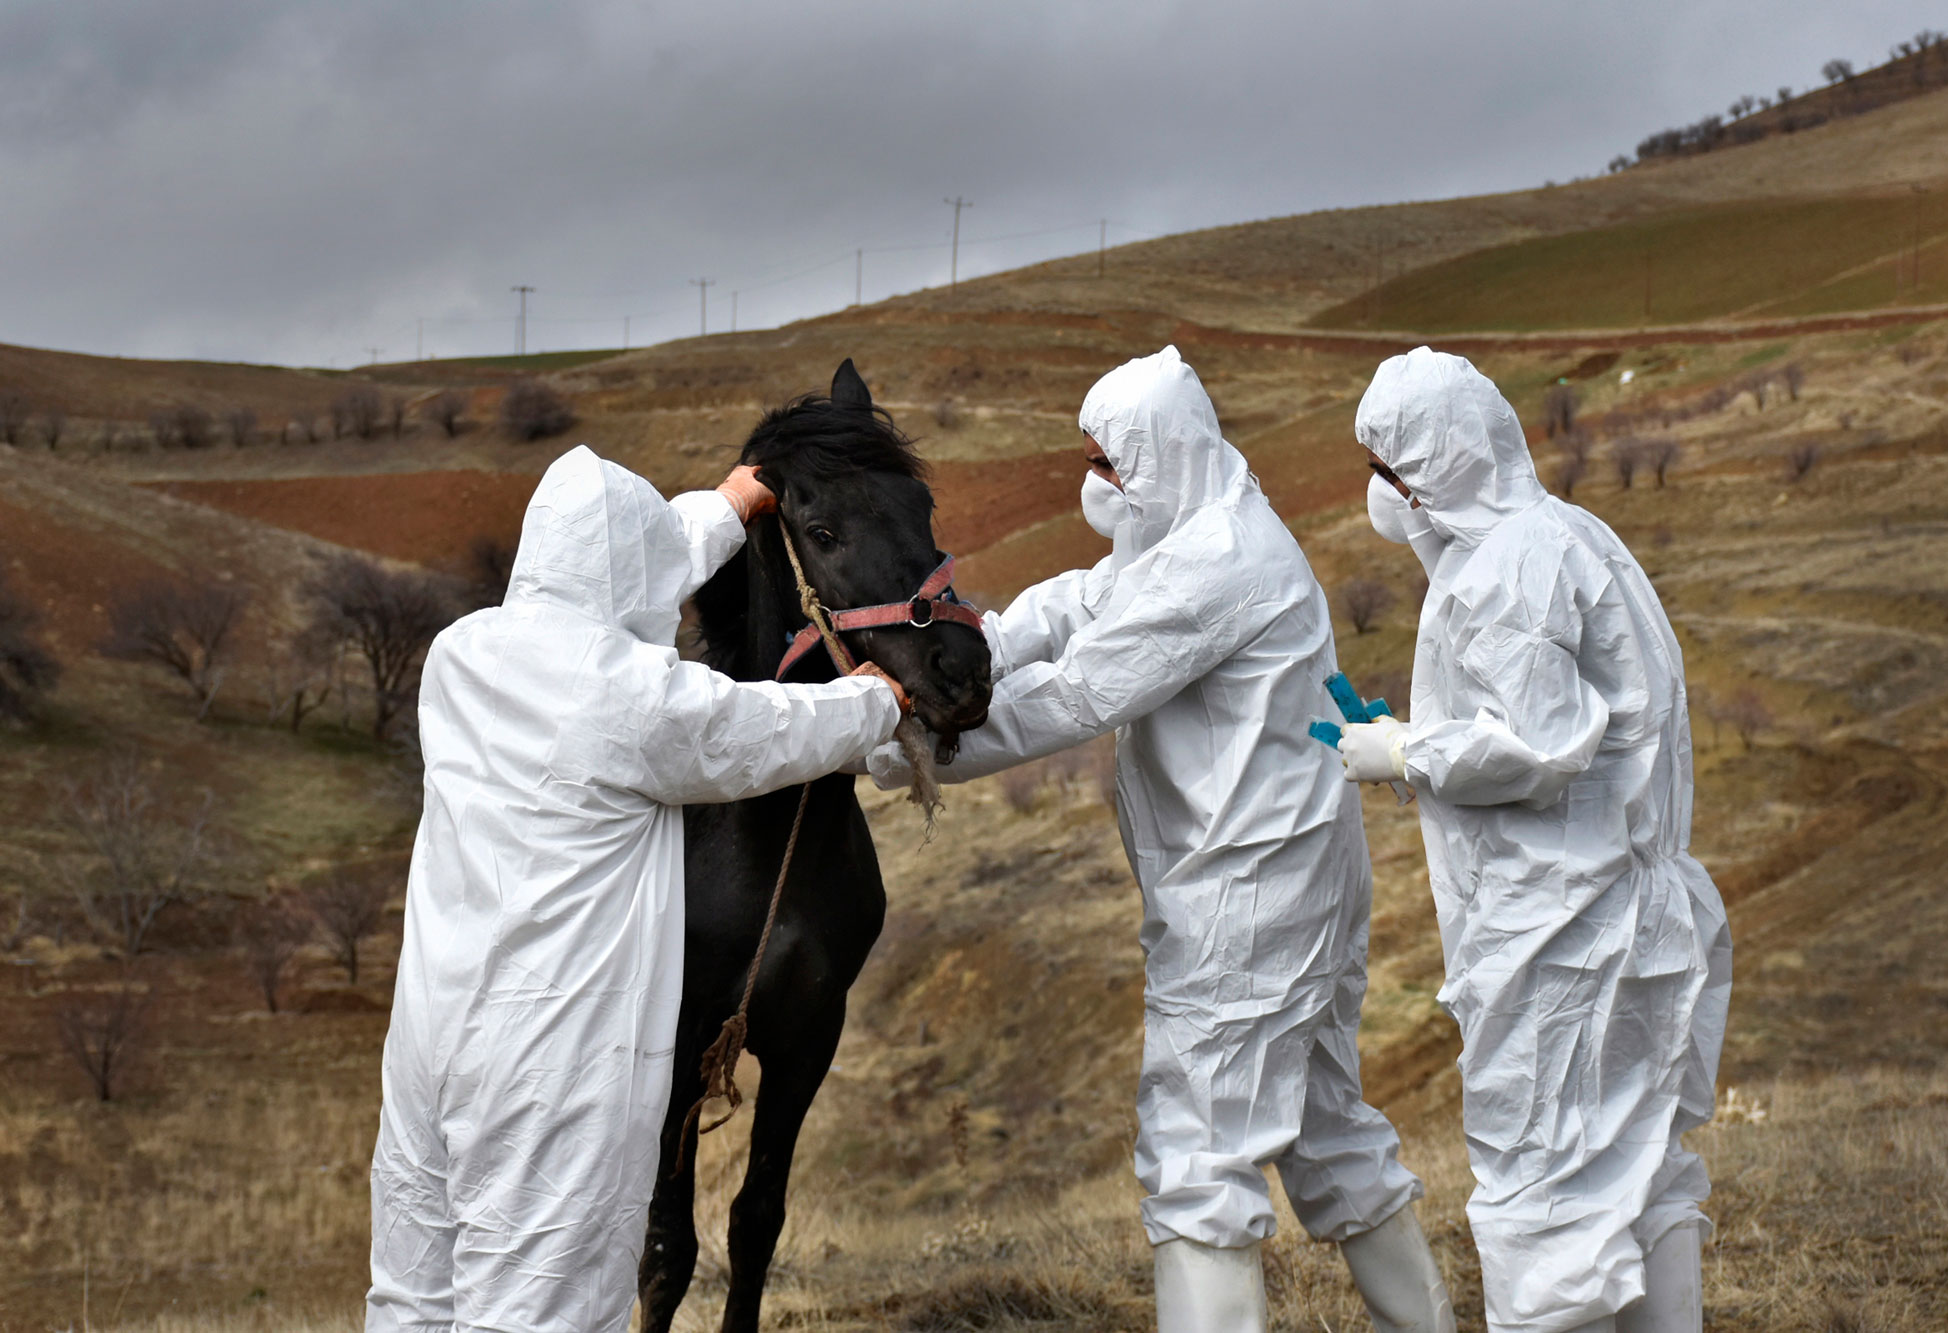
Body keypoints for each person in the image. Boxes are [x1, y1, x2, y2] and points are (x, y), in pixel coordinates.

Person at [874, 347, 1454, 1333]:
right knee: (1326, 1132)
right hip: (1285, 880)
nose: (1094, 485)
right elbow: (1082, 604)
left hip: (1247, 898)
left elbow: (1082, 691)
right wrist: (982, 643)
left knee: (1197, 1156)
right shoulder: (1190, 529)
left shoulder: (1219, 564)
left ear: (1158, 456)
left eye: (1109, 464)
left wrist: (900, 743)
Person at [366, 445, 911, 1333]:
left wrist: (733, 504)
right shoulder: (634, 700)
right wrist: (877, 700)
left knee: (413, 1296)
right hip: (552, 1062)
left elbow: (625, 575)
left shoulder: (457, 654)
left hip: (430, 1041)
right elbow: (758, 732)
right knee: (537, 1309)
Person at [1337, 348, 1731, 1333]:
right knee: (1638, 1175)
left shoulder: (1505, 571)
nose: (1379, 496)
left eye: (1389, 471)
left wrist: (1404, 752)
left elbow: (1538, 746)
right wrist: (1418, 748)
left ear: (1436, 468)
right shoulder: (1571, 535)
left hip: (1560, 937)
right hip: (1636, 916)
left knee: (1538, 1201)